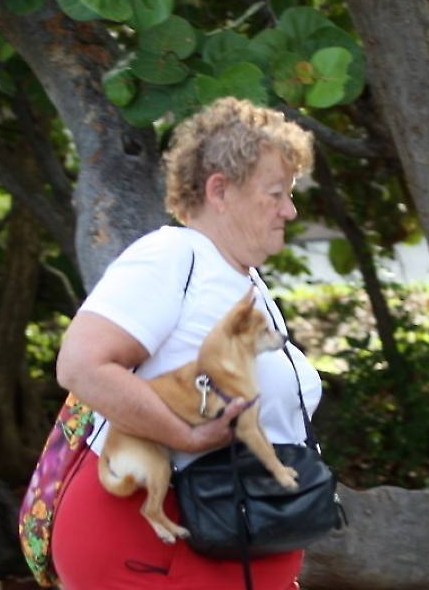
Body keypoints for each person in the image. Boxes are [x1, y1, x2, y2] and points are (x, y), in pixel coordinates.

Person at [52, 97, 321, 590]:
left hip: (220, 548)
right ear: (219, 190)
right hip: (154, 543)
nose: (290, 209)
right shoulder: (173, 255)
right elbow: (81, 365)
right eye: (276, 193)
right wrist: (187, 437)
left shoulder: (240, 278)